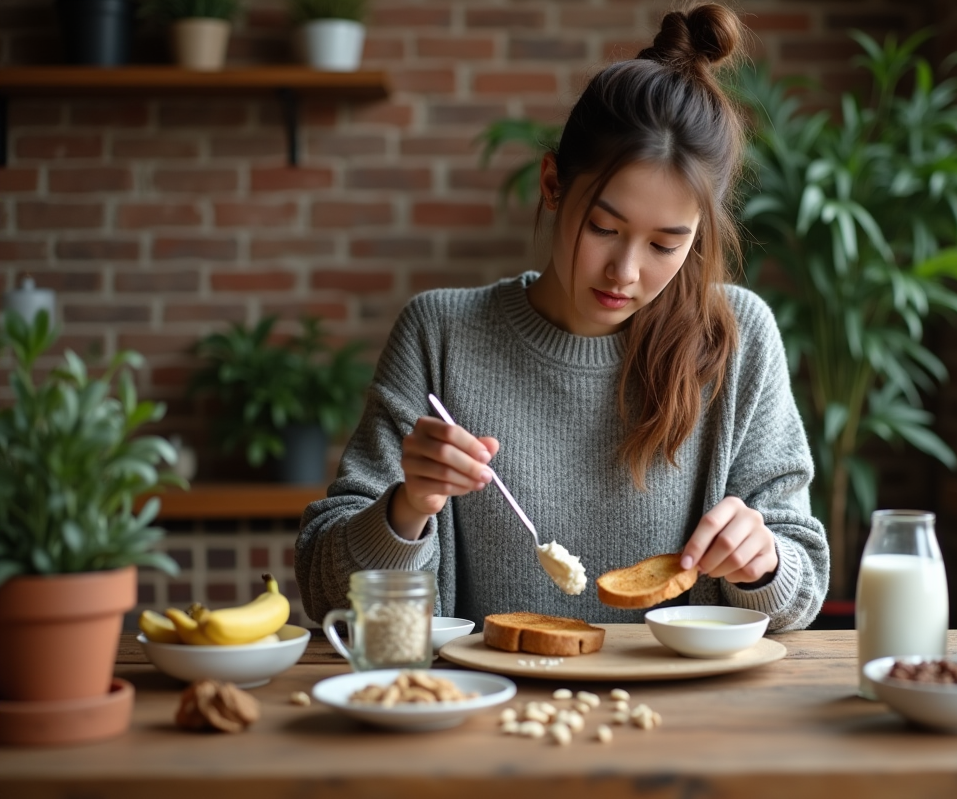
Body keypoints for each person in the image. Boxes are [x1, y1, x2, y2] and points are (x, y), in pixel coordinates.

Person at [297, 2, 829, 632]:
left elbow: (805, 586)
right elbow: (325, 592)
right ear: (552, 185)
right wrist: (405, 509)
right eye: (604, 228)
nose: (625, 272)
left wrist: (763, 562)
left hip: (680, 722)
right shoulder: (439, 335)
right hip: (488, 711)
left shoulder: (733, 337)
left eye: (665, 245)